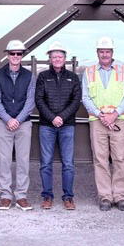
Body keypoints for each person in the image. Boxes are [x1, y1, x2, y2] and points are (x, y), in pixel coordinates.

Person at [82, 36, 124, 211]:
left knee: (120, 158)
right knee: (100, 160)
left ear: (112, 53)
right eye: (102, 51)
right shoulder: (89, 72)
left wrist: (114, 114)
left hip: (118, 120)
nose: (105, 54)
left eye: (108, 51)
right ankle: (105, 196)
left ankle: (120, 196)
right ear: (97, 53)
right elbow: (85, 97)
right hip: (98, 122)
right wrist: (101, 115)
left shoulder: (122, 70)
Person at [35, 41, 81, 211]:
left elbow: (76, 101)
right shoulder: (42, 77)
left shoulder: (73, 77)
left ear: (65, 58)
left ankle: (68, 197)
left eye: (60, 56)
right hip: (47, 125)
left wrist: (61, 117)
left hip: (67, 125)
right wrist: (52, 117)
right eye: (54, 56)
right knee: (46, 163)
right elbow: (39, 100)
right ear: (49, 59)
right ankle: (47, 196)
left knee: (68, 163)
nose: (57, 59)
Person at [0, 40, 36, 211]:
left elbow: (30, 100)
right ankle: (5, 195)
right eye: (12, 53)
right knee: (4, 160)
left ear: (22, 55)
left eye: (19, 53)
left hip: (23, 123)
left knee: (23, 160)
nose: (16, 56)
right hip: (4, 123)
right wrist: (8, 119)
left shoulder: (30, 75)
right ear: (7, 55)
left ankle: (22, 195)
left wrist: (18, 119)